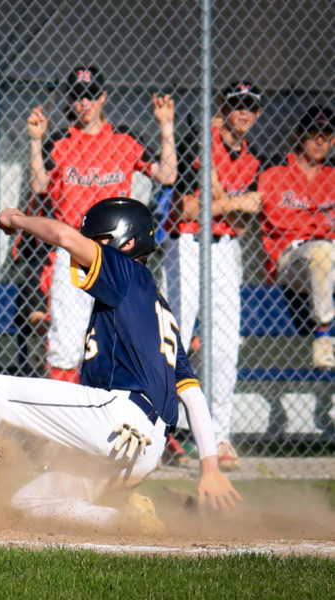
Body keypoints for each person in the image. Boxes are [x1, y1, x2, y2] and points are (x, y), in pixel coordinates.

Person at [0, 198, 241, 533]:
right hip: (146, 450)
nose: (89, 245)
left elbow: (65, 237)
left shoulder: (127, 272)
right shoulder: (161, 314)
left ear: (126, 243)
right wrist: (210, 468)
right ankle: (126, 521)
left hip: (119, 419)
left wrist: (18, 219)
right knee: (28, 504)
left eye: (98, 240)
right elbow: (192, 395)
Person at [25, 65, 176, 382]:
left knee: (119, 340)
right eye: (78, 96)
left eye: (91, 95)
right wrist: (35, 142)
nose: (84, 103)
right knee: (66, 345)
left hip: (116, 254)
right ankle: (60, 423)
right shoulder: (60, 141)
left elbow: (167, 175)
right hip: (73, 253)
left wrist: (166, 126)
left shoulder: (124, 139)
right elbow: (39, 184)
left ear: (103, 97)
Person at [162, 80, 264, 471]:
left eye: (250, 106)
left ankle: (219, 436)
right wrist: (230, 204)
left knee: (224, 346)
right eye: (236, 103)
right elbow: (188, 209)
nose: (243, 112)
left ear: (256, 114)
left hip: (225, 251)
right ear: (224, 106)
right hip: (186, 245)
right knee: (176, 336)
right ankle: (159, 427)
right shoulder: (197, 141)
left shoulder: (252, 160)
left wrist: (219, 200)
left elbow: (252, 210)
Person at [258, 106, 335, 375]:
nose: (320, 141)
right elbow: (276, 218)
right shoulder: (275, 173)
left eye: (327, 135)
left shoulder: (332, 177)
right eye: (314, 133)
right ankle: (324, 335)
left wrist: (309, 223)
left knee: (326, 251)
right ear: (301, 136)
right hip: (291, 260)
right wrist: (320, 225)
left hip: (327, 257)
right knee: (323, 251)